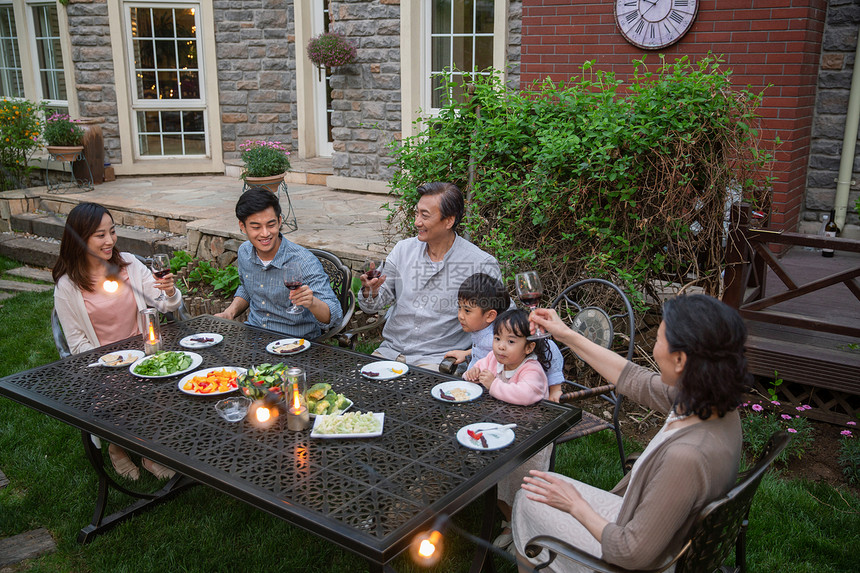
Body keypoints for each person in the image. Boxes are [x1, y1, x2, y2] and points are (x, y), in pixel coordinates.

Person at [512, 294, 748, 572]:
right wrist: (566, 335)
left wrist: (574, 505)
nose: (655, 347)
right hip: (659, 528)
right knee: (538, 488)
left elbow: (631, 554)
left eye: (659, 338)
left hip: (637, 557)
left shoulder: (686, 458)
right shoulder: (713, 404)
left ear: (681, 359)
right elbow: (633, 379)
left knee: (528, 498)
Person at [53, 202, 182, 481]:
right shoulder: (67, 287)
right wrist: (113, 362)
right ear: (79, 238)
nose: (110, 240)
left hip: (144, 352)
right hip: (102, 363)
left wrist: (170, 292)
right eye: (100, 235)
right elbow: (76, 346)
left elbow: (165, 306)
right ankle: (117, 447)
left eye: (112, 231)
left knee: (170, 375)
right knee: (122, 386)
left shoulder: (130, 266)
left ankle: (150, 452)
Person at [358, 182, 501, 369]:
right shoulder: (402, 250)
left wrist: (470, 354)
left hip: (439, 361)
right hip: (390, 352)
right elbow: (372, 305)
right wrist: (371, 292)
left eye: (424, 216)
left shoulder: (480, 264)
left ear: (449, 221)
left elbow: (503, 319)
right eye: (417, 213)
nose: (417, 222)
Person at [214, 187, 342, 338]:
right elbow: (246, 288)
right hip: (254, 337)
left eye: (271, 225)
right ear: (243, 226)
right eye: (256, 227)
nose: (265, 233)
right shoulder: (244, 252)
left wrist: (312, 302)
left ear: (280, 221)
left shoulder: (304, 261)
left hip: (296, 344)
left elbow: (335, 315)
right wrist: (230, 312)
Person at [444, 272, 567, 401]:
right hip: (485, 395)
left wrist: (555, 388)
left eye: (467, 310)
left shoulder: (501, 337)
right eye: (459, 308)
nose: (460, 315)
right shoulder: (490, 340)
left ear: (490, 316)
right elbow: (485, 355)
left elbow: (548, 346)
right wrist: (467, 355)